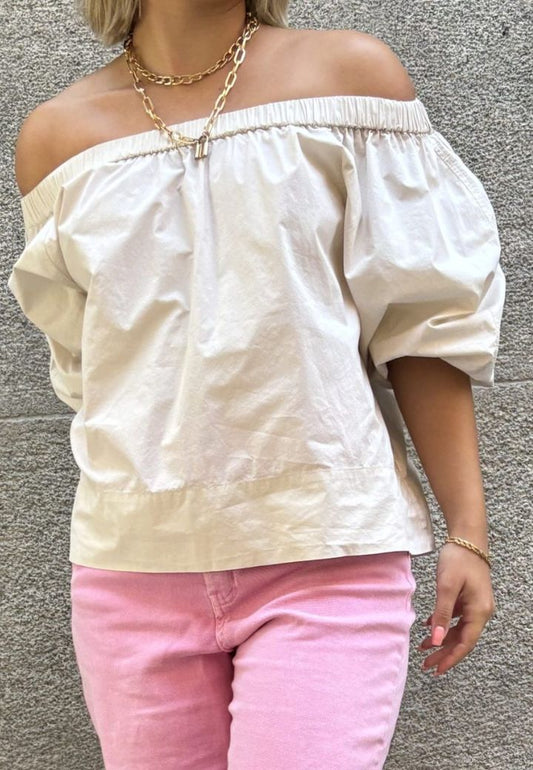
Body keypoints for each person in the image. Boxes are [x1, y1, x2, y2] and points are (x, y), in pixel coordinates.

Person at [7, 0, 505, 768]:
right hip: (130, 573)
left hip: (326, 551)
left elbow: (421, 325)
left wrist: (466, 532)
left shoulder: (348, 79)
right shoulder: (56, 138)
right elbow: (93, 369)